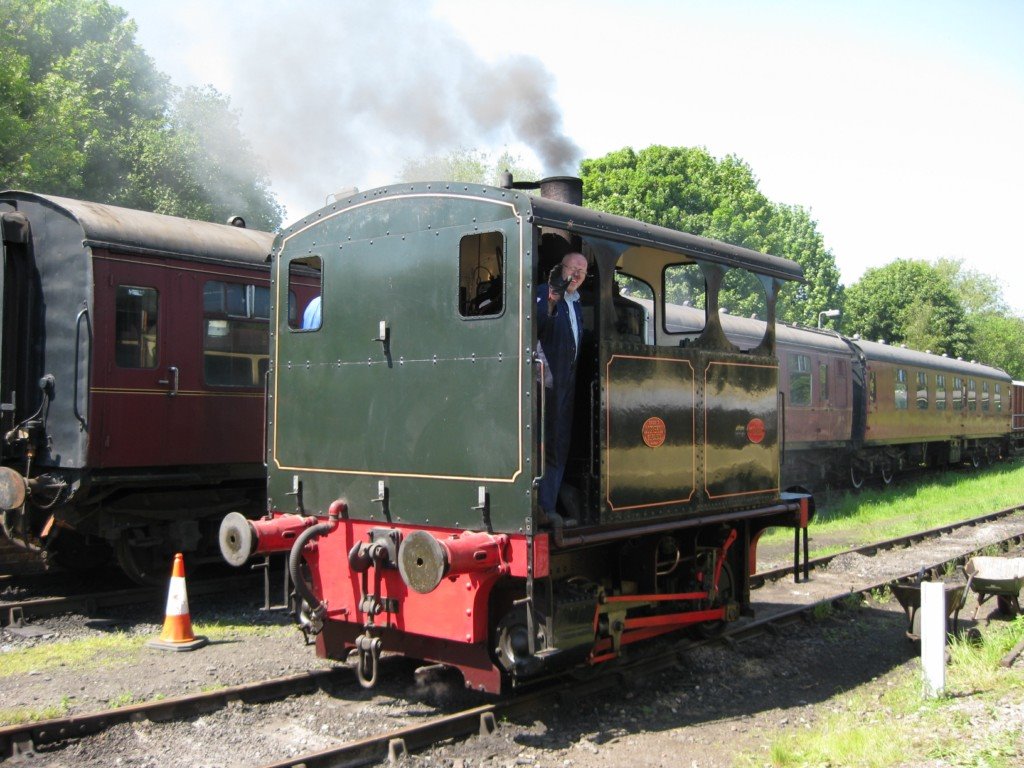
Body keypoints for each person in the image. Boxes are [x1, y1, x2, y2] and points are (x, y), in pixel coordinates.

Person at [536, 251, 588, 518]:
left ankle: (549, 502)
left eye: (582, 270)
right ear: (561, 268)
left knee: (560, 444)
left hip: (566, 384)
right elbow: (535, 325)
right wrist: (551, 301)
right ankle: (543, 506)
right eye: (573, 268)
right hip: (546, 383)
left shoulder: (576, 303)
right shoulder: (546, 293)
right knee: (548, 445)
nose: (577, 274)